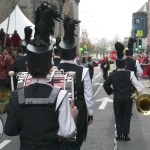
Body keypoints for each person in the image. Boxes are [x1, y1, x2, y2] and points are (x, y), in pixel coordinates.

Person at [4, 2, 78, 150]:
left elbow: (10, 131)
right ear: (50, 69)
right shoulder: (61, 95)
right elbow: (67, 132)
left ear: (27, 69)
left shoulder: (15, 96)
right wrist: (72, 116)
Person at [57, 16, 95, 150]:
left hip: (56, 108)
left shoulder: (53, 69)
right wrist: (90, 114)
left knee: (58, 141)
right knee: (74, 142)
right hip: (77, 109)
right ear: (75, 54)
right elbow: (88, 96)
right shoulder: (83, 71)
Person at [103, 42, 148, 141]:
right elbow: (138, 86)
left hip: (117, 97)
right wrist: (142, 95)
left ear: (116, 65)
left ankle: (119, 135)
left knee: (118, 115)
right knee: (127, 116)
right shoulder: (131, 74)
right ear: (125, 65)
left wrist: (112, 92)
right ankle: (126, 135)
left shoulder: (112, 74)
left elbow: (105, 85)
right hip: (128, 97)